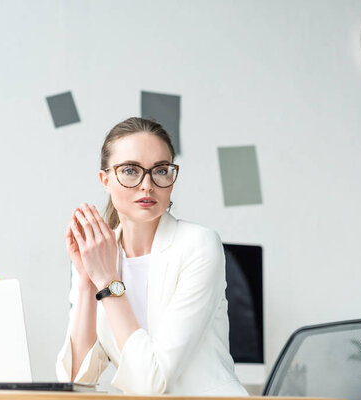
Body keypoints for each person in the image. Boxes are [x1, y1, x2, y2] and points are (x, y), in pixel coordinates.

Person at [55, 117, 248, 396]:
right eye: (131, 170)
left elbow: (152, 384)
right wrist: (87, 280)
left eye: (160, 170)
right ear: (105, 180)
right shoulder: (101, 257)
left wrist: (108, 281)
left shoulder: (198, 245)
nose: (147, 185)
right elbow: (74, 381)